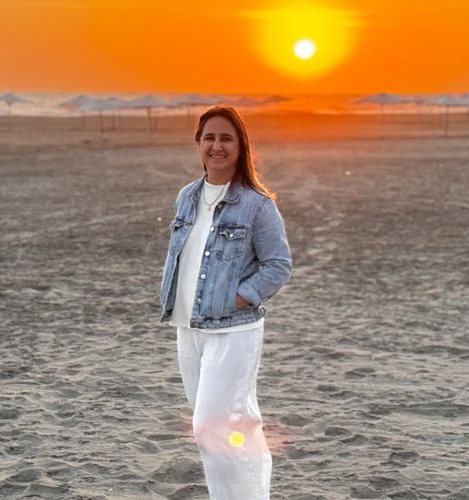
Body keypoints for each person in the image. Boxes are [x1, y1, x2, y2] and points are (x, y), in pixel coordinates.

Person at [160, 105, 292, 499]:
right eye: (209, 138)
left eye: (226, 138)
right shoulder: (187, 196)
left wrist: (237, 298)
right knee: (229, 429)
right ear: (199, 144)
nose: (217, 146)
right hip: (187, 327)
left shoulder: (257, 204)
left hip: (233, 330)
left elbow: (278, 266)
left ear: (240, 146)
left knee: (209, 427)